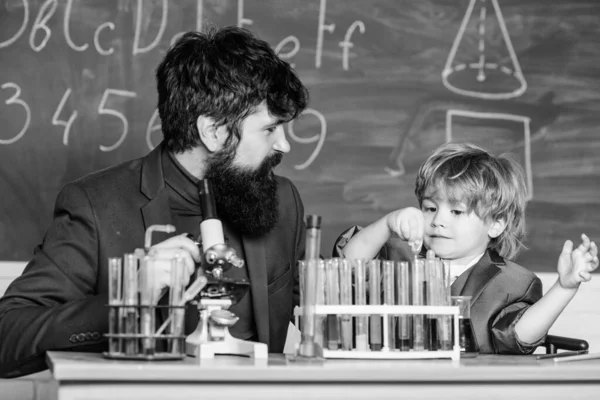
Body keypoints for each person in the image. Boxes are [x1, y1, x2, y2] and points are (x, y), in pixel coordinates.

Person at [0, 26, 309, 378]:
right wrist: (131, 299)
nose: (284, 145)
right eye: (270, 129)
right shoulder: (96, 206)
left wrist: (363, 244)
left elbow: (316, 309)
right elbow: (7, 336)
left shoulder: (282, 200)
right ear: (213, 132)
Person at [336, 142, 598, 354]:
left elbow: (516, 336)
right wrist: (386, 225)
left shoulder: (512, 283)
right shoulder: (398, 254)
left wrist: (565, 287)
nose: (438, 220)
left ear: (496, 224)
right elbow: (342, 270)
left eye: (457, 211)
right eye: (430, 208)